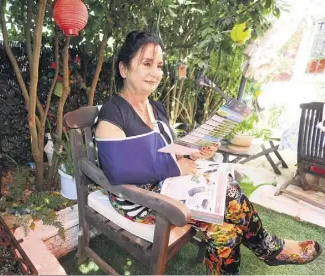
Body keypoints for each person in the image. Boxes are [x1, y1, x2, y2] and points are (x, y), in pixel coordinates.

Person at [94, 31, 322, 275]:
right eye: (147, 64)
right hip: (140, 199)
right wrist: (173, 167)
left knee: (226, 227)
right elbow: (116, 170)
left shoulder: (156, 108)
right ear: (124, 69)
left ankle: (264, 249)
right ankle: (268, 247)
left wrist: (193, 152)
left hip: (168, 184)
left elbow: (164, 151)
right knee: (229, 193)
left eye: (159, 65)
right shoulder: (113, 113)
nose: (155, 72)